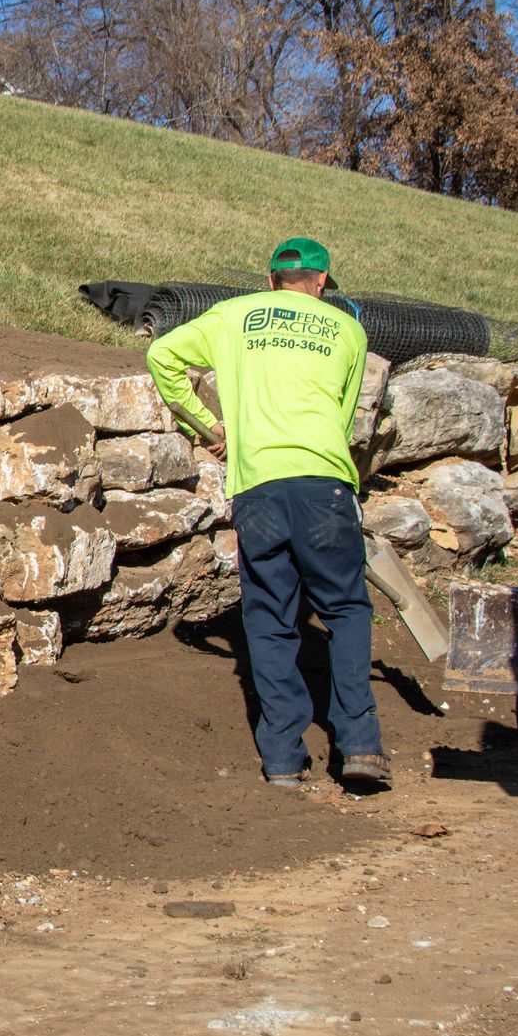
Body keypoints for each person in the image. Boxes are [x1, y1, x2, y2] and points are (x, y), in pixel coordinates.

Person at [145, 237, 390, 790]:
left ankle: (283, 760)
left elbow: (162, 355)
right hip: (324, 485)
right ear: (322, 281)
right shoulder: (349, 332)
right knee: (347, 610)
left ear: (270, 277)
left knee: (270, 620)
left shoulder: (234, 316)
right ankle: (359, 746)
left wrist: (206, 428)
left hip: (258, 487)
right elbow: (345, 417)